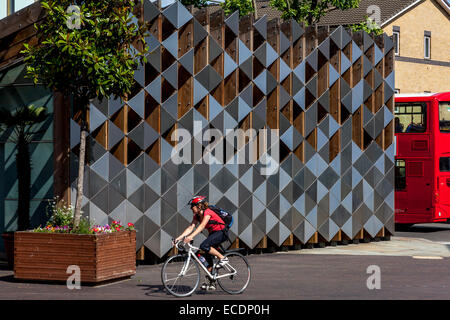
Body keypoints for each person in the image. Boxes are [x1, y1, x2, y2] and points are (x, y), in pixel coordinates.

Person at [173, 196, 229, 291]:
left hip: (221, 232)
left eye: (192, 206)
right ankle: (212, 282)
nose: (191, 208)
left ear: (199, 205)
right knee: (208, 257)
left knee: (204, 246)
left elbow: (202, 226)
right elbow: (191, 227)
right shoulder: (197, 216)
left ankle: (223, 258)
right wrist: (178, 238)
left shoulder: (208, 212)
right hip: (213, 233)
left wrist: (191, 236)